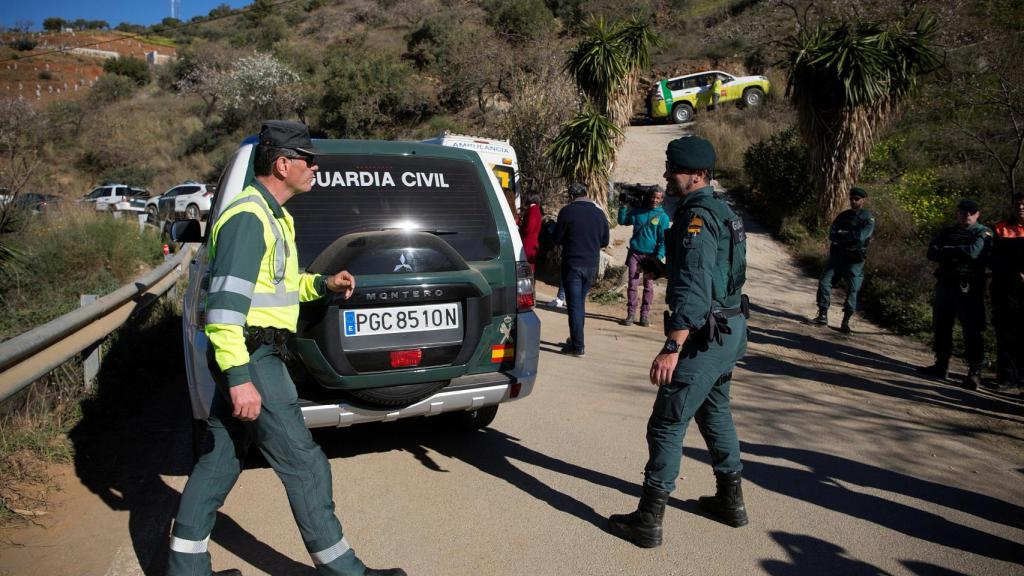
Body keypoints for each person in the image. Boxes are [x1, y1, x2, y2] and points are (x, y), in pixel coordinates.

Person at [167, 121, 406, 576]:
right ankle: (344, 571)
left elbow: (275, 286)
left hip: (254, 353)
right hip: (252, 356)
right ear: (282, 163)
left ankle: (185, 568)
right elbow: (223, 306)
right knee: (305, 463)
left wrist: (322, 283)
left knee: (221, 459)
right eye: (308, 159)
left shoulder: (275, 216)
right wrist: (239, 379)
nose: (315, 167)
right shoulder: (247, 218)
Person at [609, 136, 749, 548]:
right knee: (715, 412)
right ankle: (730, 502)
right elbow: (714, 272)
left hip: (705, 337)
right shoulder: (722, 212)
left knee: (667, 422)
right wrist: (664, 268)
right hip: (730, 329)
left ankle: (648, 521)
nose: (668, 176)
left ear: (699, 175)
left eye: (675, 170)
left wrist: (673, 346)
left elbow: (696, 283)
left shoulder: (697, 218)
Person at [918, 199, 992, 390]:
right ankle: (941, 364)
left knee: (972, 330)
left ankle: (974, 372)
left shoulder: (983, 232)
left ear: (977, 214)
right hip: (945, 284)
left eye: (971, 212)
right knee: (941, 325)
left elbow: (974, 253)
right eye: (963, 212)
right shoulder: (948, 232)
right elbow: (932, 253)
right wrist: (957, 252)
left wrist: (948, 250)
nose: (966, 215)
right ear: (957, 213)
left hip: (968, 288)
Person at [553, 182, 609, 357]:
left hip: (573, 264)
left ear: (571, 195)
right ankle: (576, 338)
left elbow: (557, 238)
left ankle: (578, 346)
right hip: (591, 265)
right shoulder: (600, 214)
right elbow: (605, 241)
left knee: (575, 306)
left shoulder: (567, 212)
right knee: (579, 304)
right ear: (587, 193)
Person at [811, 187, 875, 333]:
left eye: (856, 199)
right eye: (851, 198)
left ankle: (845, 322)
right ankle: (822, 315)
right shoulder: (843, 216)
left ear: (863, 200)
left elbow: (861, 236)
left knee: (853, 289)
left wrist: (844, 235)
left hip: (854, 260)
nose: (853, 201)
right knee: (824, 283)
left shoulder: (867, 218)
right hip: (837, 257)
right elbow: (832, 234)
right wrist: (847, 235)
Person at [986, 192, 1024, 393]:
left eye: (1023, 204)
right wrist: (1013, 273)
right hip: (1005, 289)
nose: (1020, 207)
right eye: (1017, 204)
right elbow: (991, 257)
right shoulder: (1000, 228)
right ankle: (1007, 377)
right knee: (1006, 332)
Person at [618, 186, 670, 326]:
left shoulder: (663, 217)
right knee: (632, 284)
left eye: (658, 198)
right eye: (653, 197)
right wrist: (623, 206)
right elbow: (623, 221)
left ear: (661, 200)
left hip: (651, 256)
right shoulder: (638, 212)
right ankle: (631, 314)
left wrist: (658, 257)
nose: (654, 200)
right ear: (649, 197)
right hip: (635, 253)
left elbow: (662, 240)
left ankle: (644, 316)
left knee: (649, 286)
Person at [519, 192, 543, 274]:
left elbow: (529, 228)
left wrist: (521, 227)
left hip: (528, 243)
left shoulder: (533, 210)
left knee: (527, 268)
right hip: (532, 242)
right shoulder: (536, 210)